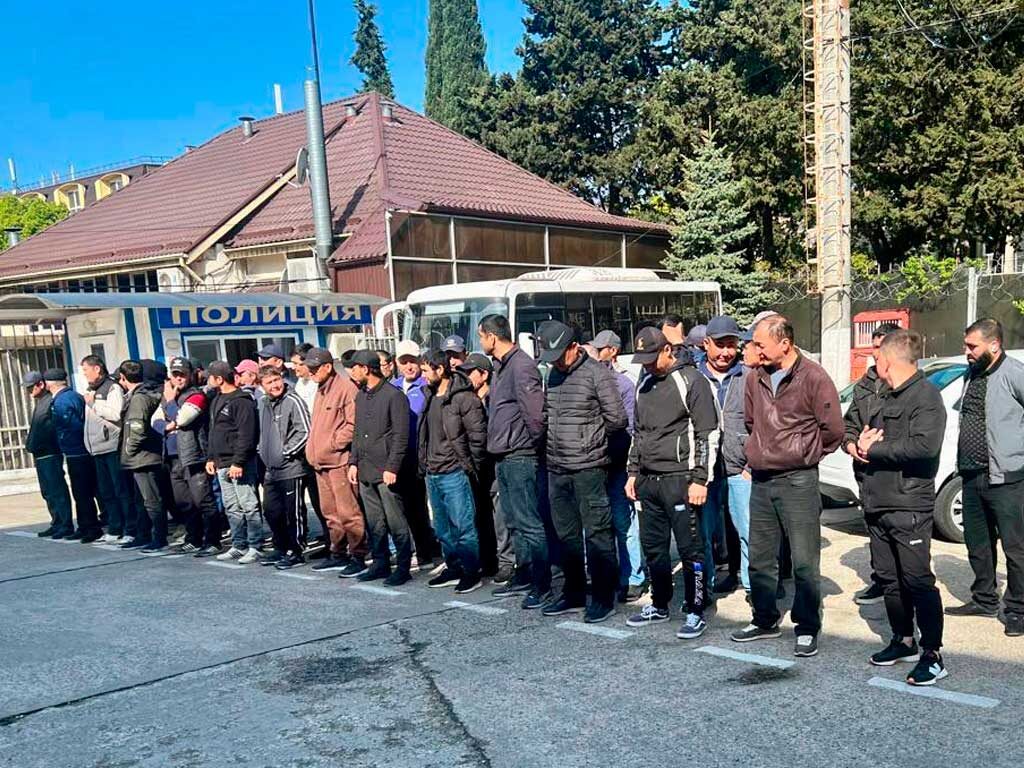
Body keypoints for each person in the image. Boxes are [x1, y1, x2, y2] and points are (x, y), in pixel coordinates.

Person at [731, 315, 842, 657]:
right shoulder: (755, 377)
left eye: (760, 344)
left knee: (804, 561)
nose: (755, 350)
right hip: (762, 479)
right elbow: (752, 422)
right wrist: (761, 451)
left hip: (798, 480)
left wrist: (803, 454)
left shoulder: (814, 377)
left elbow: (833, 430)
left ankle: (806, 627)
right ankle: (764, 619)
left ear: (785, 343)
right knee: (761, 557)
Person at [854, 329, 948, 685]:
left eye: (877, 356)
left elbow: (925, 447)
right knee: (889, 579)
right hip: (877, 502)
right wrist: (859, 445)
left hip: (908, 504)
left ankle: (933, 654)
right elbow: (860, 432)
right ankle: (903, 640)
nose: (874, 361)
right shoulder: (884, 396)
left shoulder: (926, 396)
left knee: (917, 580)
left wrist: (874, 448)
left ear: (888, 360)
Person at [625, 326, 719, 639]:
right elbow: (638, 433)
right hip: (648, 480)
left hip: (681, 478)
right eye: (643, 360)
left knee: (691, 549)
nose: (648, 365)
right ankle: (659, 604)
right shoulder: (645, 383)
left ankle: (695, 609)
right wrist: (632, 472)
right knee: (653, 548)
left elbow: (707, 433)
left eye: (653, 358)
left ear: (668, 350)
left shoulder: (693, 380)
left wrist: (700, 479)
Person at [536, 321, 627, 623]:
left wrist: (591, 443)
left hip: (589, 467)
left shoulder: (597, 374)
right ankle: (573, 592)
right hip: (556, 467)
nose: (556, 362)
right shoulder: (553, 374)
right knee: (567, 535)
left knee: (598, 534)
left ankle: (603, 597)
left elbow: (617, 420)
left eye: (560, 355)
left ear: (574, 347)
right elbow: (548, 415)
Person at [945, 318, 1024, 637]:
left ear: (994, 345)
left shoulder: (1014, 373)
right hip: (972, 474)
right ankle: (984, 599)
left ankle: (1018, 609)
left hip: (1007, 477)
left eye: (972, 346)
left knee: (1016, 548)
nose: (966, 351)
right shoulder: (972, 374)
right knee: (978, 543)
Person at [478, 314, 548, 605]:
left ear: (492, 337)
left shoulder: (521, 366)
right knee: (513, 521)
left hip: (520, 456)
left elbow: (535, 416)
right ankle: (524, 574)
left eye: (481, 336)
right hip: (503, 456)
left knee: (529, 523)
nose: (480, 342)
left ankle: (542, 584)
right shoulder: (500, 367)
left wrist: (530, 448)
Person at [418, 350, 488, 593]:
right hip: (432, 472)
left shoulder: (464, 398)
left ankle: (471, 572)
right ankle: (454, 567)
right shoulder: (429, 395)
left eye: (426, 370)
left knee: (463, 527)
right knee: (442, 529)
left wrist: (471, 467)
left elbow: (478, 437)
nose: (423, 375)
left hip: (455, 472)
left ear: (440, 369)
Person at [843, 322, 902, 605]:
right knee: (875, 528)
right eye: (874, 347)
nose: (875, 353)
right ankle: (882, 580)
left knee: (898, 531)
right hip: (866, 472)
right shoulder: (864, 385)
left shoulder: (906, 385)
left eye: (880, 347)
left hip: (895, 474)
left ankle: (903, 583)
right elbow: (850, 423)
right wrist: (851, 444)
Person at [348, 349, 414, 585]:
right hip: (365, 469)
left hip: (386, 471)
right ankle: (380, 563)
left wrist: (392, 467)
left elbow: (400, 435)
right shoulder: (361, 396)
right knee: (374, 522)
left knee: (396, 522)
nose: (352, 371)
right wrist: (353, 462)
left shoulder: (393, 396)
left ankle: (403, 567)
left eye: (355, 367)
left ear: (366, 369)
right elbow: (357, 433)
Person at [698, 316, 752, 597]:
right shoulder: (693, 377)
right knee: (703, 534)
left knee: (748, 531)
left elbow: (763, 424)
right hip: (703, 474)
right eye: (720, 345)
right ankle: (703, 591)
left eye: (731, 345)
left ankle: (753, 587)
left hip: (740, 469)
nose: (725, 352)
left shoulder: (750, 377)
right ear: (706, 343)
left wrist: (751, 465)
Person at [593, 329, 647, 602]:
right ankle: (609, 574)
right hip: (592, 467)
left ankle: (633, 577)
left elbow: (630, 428)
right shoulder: (586, 383)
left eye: (599, 350)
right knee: (599, 525)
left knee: (623, 523)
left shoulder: (624, 385)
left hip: (616, 465)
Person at [305, 347, 367, 577]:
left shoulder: (346, 388)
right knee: (330, 513)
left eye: (314, 368)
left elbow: (353, 425)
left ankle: (358, 556)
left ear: (327, 367)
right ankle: (338, 553)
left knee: (348, 513)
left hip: (339, 461)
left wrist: (332, 444)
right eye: (309, 368)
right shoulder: (321, 389)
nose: (310, 372)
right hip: (321, 463)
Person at [157, 357, 222, 557]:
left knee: (203, 501)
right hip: (173, 456)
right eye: (175, 374)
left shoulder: (196, 395)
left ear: (191, 374)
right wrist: (167, 425)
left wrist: (170, 405)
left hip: (194, 456)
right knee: (184, 502)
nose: (178, 378)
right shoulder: (169, 396)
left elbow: (183, 419)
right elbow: (155, 420)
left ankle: (213, 541)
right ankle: (193, 538)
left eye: (182, 374)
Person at [205, 360, 264, 564]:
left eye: (211, 376)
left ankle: (255, 545)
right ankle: (239, 545)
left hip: (239, 463)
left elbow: (247, 434)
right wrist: (211, 457)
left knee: (249, 505)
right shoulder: (216, 399)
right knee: (231, 506)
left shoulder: (242, 401)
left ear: (219, 379)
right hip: (221, 462)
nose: (208, 380)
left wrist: (238, 462)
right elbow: (213, 431)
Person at [391, 339, 440, 570]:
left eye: (413, 361)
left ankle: (426, 552)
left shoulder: (427, 386)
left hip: (421, 457)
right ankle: (410, 549)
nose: (409, 366)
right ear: (397, 363)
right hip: (398, 458)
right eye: (404, 362)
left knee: (421, 508)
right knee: (404, 508)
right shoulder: (392, 387)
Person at [458, 353, 508, 581]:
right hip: (475, 467)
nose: (466, 377)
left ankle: (506, 561)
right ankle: (487, 560)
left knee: (500, 516)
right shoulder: (466, 399)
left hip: (494, 463)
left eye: (471, 372)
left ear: (484, 374)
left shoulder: (494, 399)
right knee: (481, 515)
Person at [257, 365, 311, 569]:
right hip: (271, 470)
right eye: (269, 382)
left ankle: (296, 551)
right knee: (271, 511)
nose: (275, 385)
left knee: (293, 512)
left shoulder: (293, 400)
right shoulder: (263, 403)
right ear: (262, 386)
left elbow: (305, 431)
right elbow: (262, 432)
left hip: (291, 467)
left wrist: (286, 452)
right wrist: (262, 450)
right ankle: (280, 546)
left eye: (276, 380)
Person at [46, 368, 101, 542]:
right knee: (84, 492)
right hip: (80, 450)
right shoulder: (73, 396)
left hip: (77, 451)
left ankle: (90, 528)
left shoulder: (63, 400)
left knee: (82, 492)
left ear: (49, 384)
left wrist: (64, 442)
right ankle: (85, 526)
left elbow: (71, 426)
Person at [118, 360, 167, 552]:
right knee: (141, 501)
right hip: (140, 457)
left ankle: (159, 537)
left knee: (152, 500)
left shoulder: (139, 398)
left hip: (143, 457)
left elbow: (137, 428)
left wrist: (129, 450)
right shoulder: (140, 395)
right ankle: (143, 535)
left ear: (123, 378)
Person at [80, 355, 131, 543]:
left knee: (121, 490)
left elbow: (115, 414)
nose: (84, 374)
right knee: (106, 492)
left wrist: (94, 404)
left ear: (97, 369)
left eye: (86, 370)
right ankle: (115, 528)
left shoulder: (112, 387)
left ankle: (130, 528)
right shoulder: (90, 389)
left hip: (111, 446)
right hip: (97, 448)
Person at [23, 371, 73, 539]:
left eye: (31, 387)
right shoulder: (41, 403)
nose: (29, 391)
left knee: (57, 490)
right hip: (40, 454)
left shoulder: (51, 401)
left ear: (41, 384)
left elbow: (53, 427)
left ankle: (65, 524)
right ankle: (56, 522)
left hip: (50, 453)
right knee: (48, 492)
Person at [290, 343, 330, 551]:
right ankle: (328, 539)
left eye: (299, 364)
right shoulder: (300, 384)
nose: (295, 368)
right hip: (305, 451)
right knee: (316, 500)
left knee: (328, 502)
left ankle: (338, 544)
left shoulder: (319, 386)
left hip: (321, 449)